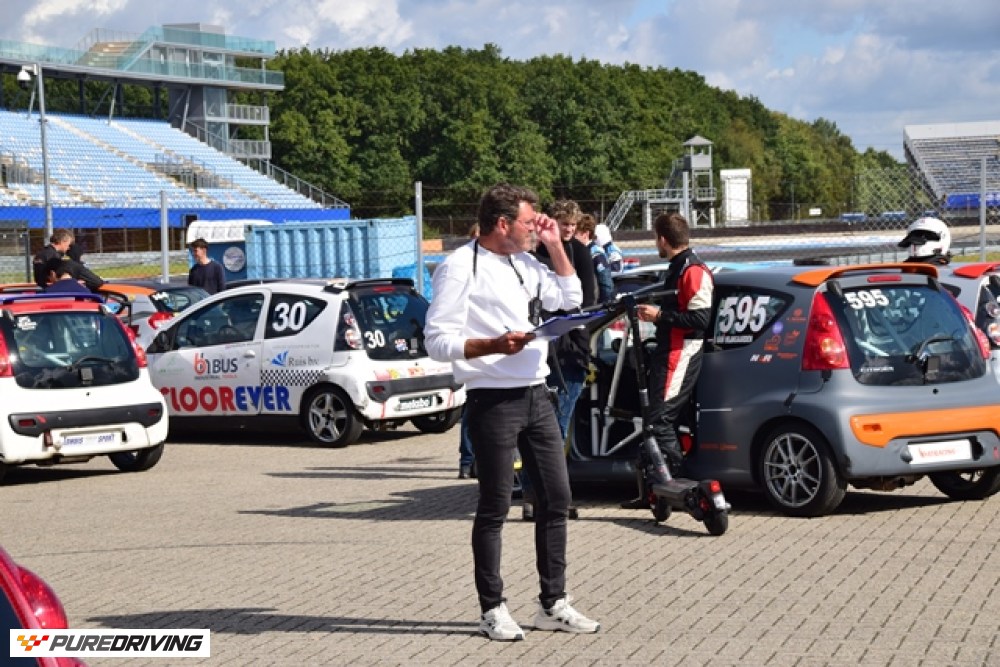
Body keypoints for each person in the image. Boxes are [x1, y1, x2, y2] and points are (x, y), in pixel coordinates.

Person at [425, 182, 600, 641]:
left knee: (556, 498)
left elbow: (571, 299)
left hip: (537, 393)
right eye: (528, 223)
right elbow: (437, 341)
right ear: (502, 224)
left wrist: (555, 245)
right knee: (495, 506)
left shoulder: (526, 262)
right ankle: (492, 609)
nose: (534, 229)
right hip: (492, 399)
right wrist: (493, 345)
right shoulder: (458, 267)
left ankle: (553, 603)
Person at [621, 212, 713, 509]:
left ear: (662, 239)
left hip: (681, 351)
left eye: (655, 238)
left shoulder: (693, 270)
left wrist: (659, 315)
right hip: (668, 351)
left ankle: (677, 487)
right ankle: (653, 491)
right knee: (652, 420)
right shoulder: (679, 267)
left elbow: (701, 319)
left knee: (660, 420)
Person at [458, 221, 481, 479]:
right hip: (471, 351)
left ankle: (474, 461)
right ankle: (467, 460)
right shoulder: (463, 267)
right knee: (470, 412)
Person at [576, 213, 615, 303]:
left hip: (593, 304)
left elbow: (606, 284)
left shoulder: (596, 253)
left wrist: (604, 306)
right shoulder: (580, 250)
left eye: (575, 233)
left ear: (585, 233)